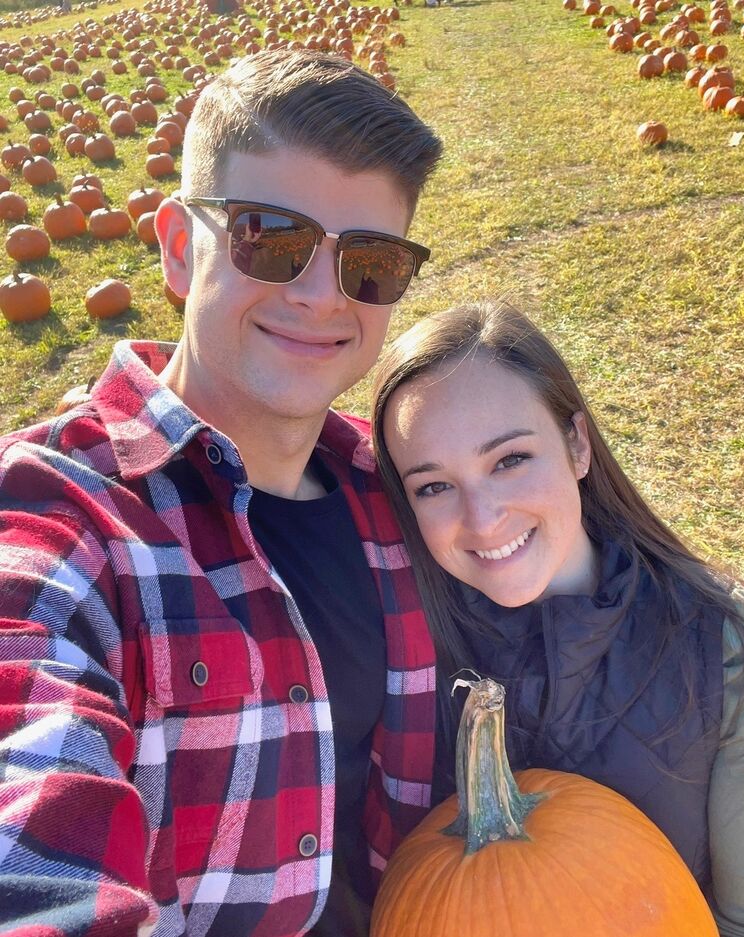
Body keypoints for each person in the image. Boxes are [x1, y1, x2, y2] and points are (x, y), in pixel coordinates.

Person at [0, 50, 442, 937]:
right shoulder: (62, 515)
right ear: (175, 247)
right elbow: (33, 828)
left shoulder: (400, 491)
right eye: (271, 236)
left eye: (370, 262)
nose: (322, 296)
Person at [371, 300, 744, 936]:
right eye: (434, 486)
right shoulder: (399, 646)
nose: (483, 518)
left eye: (509, 460)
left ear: (577, 444)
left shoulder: (729, 646)